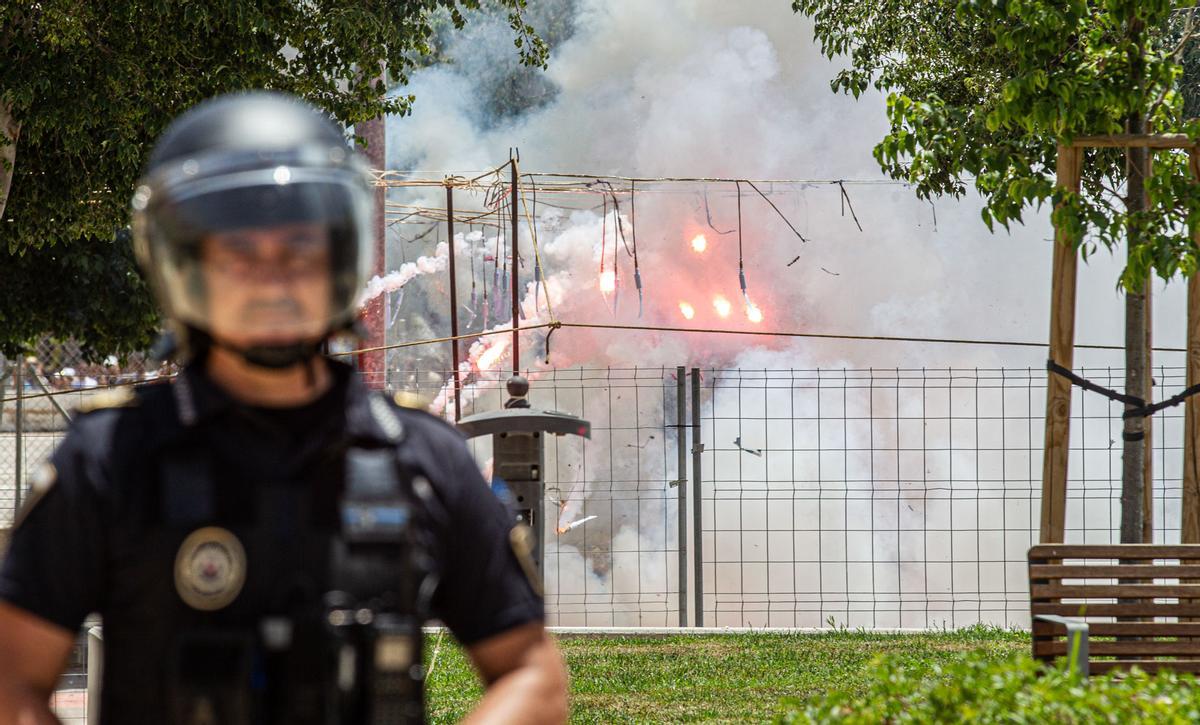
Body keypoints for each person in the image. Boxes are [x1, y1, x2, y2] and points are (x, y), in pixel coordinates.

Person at [0, 91, 568, 724]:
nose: (272, 280)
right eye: (239, 254)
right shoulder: (108, 459)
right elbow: (12, 684)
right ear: (184, 266)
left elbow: (531, 672)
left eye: (300, 249)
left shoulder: (421, 458)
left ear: (341, 259)